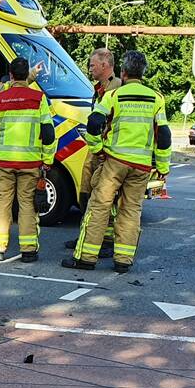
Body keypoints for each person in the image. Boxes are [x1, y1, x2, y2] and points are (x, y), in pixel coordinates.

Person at [62, 50, 171, 273]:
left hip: (114, 162)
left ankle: (86, 258)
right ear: (143, 72)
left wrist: (97, 149)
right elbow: (165, 135)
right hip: (141, 166)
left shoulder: (114, 96)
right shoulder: (157, 98)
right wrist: (162, 167)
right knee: (131, 211)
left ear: (123, 71)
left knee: (99, 206)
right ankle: (123, 260)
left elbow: (93, 123)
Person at [0, 57, 57, 263]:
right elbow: (48, 133)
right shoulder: (39, 99)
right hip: (31, 163)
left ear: (11, 75)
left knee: (1, 206)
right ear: (27, 75)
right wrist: (47, 160)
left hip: (3, 162)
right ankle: (28, 250)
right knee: (27, 206)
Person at [65, 48, 123, 255]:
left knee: (104, 197)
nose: (90, 69)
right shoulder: (99, 88)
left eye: (92, 65)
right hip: (96, 148)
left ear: (105, 65)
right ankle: (90, 234)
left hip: (105, 151)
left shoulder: (115, 88)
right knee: (89, 192)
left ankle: (102, 239)